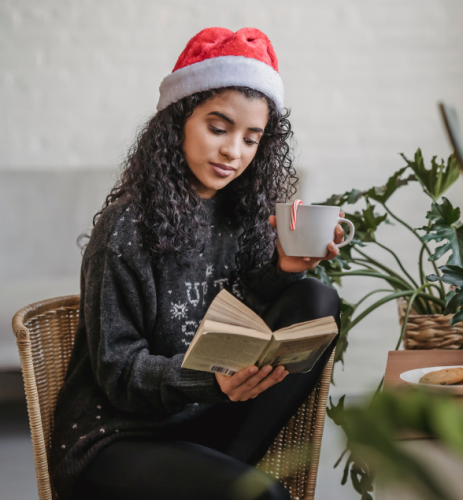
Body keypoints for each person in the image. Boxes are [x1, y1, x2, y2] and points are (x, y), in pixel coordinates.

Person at [49, 27, 343, 500]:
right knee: (263, 495)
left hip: (205, 419)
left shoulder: (242, 213)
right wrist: (210, 380)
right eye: (218, 127)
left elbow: (236, 316)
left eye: (252, 138)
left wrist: (284, 270)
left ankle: (225, 476)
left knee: (317, 297)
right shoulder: (126, 229)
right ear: (179, 121)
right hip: (120, 437)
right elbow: (119, 373)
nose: (234, 152)